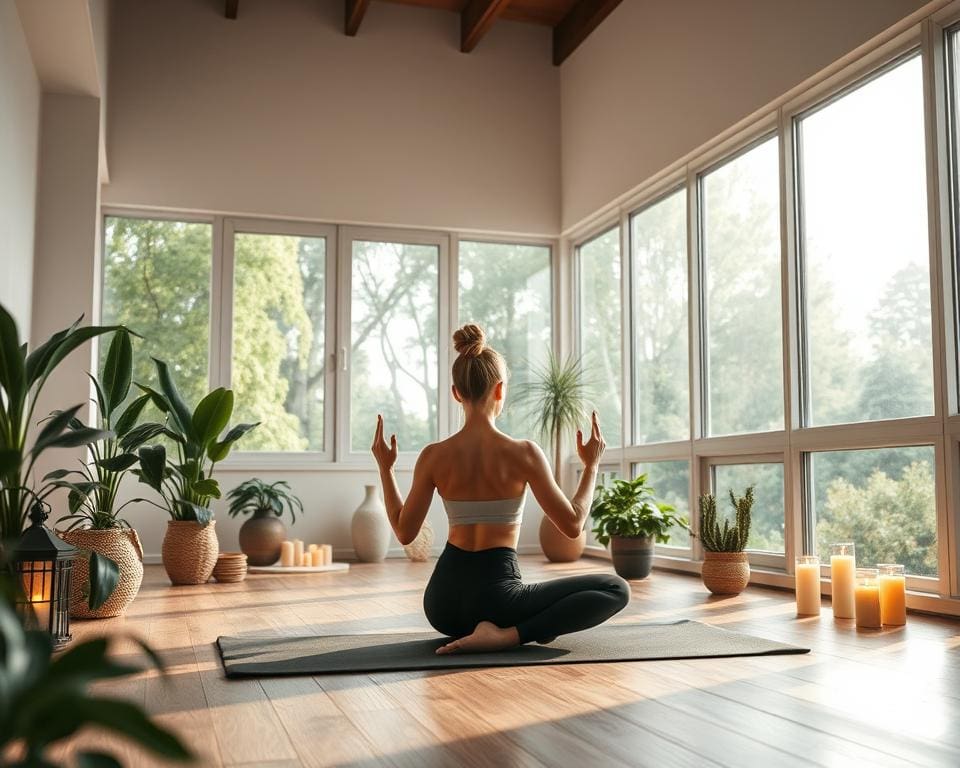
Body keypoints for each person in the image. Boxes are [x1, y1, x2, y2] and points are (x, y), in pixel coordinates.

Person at [371, 323, 630, 655]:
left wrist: (385, 468)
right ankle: (509, 635)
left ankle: (511, 627)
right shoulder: (524, 454)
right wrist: (592, 464)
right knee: (615, 588)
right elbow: (573, 523)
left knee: (539, 600)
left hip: (443, 607)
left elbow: (405, 532)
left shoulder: (433, 456)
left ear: (456, 393)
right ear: (500, 390)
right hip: (500, 601)